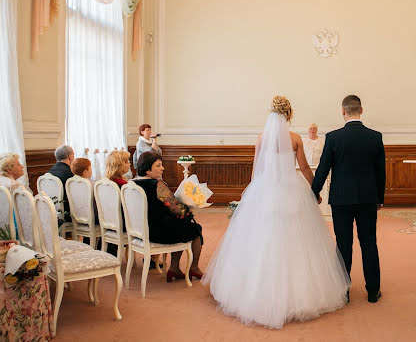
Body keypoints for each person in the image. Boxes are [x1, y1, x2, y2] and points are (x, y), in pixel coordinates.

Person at [202, 96, 350, 329]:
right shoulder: (294, 139)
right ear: (289, 115)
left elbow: (255, 170)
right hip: (291, 191)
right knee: (296, 239)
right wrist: (314, 191)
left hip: (264, 191)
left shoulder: (261, 138)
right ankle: (299, 293)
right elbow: (302, 167)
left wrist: (251, 194)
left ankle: (254, 291)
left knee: (262, 237)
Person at [312, 94, 385, 303]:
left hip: (341, 199)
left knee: (343, 244)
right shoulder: (375, 137)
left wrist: (314, 193)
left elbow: (323, 169)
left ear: (343, 112)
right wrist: (379, 197)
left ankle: (343, 292)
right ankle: (373, 291)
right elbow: (381, 171)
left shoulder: (333, 137)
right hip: (368, 198)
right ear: (361, 111)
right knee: (369, 243)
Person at [133, 151, 203, 281]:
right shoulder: (157, 185)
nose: (163, 168)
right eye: (158, 165)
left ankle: (175, 268)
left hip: (141, 230)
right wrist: (188, 210)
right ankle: (192, 268)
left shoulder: (132, 184)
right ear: (148, 170)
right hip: (158, 233)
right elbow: (176, 208)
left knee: (181, 225)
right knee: (195, 228)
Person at [48, 145, 75, 221]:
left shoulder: (49, 172)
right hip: (66, 214)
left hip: (51, 211)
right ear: (70, 156)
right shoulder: (68, 173)